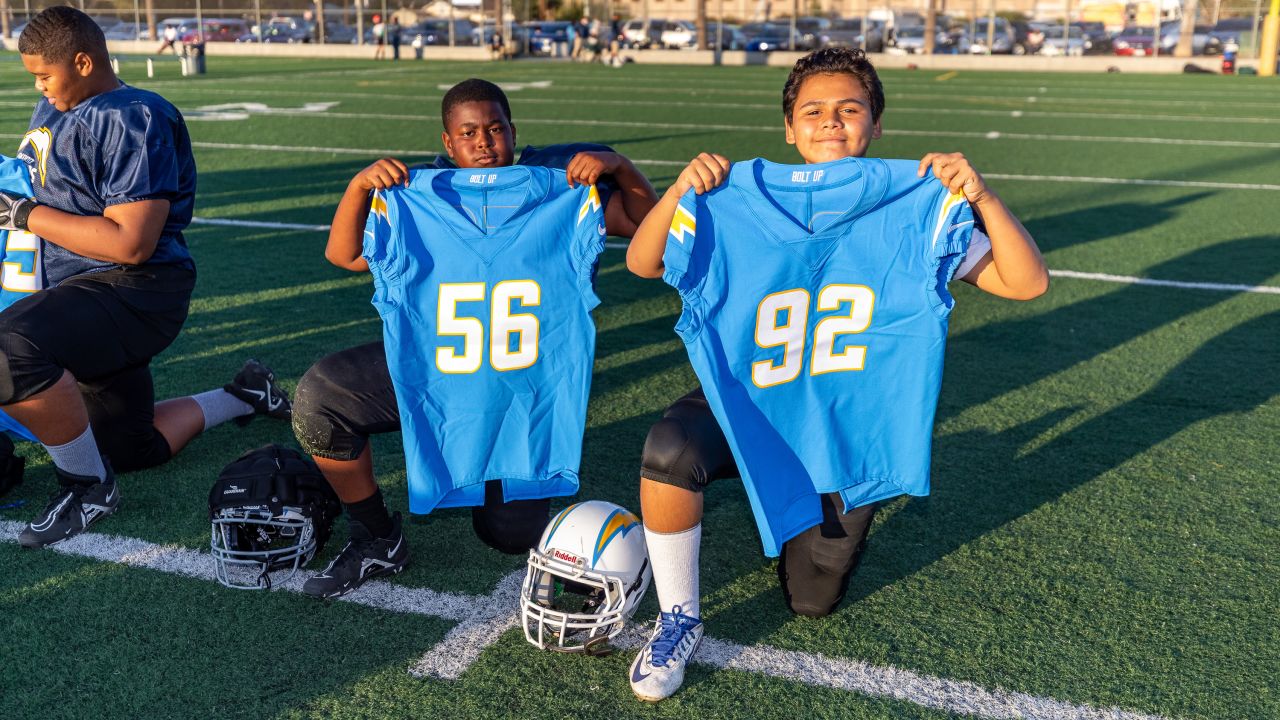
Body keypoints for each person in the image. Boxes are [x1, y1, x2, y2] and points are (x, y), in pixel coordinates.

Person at [622, 47, 1049, 701]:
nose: (830, 122)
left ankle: (812, 510)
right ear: (789, 128)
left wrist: (982, 196)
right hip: (758, 402)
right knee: (670, 446)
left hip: (851, 424)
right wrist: (681, 190)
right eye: (813, 111)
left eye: (849, 110)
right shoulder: (729, 200)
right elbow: (643, 263)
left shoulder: (914, 206)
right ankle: (678, 614)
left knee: (812, 601)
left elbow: (1027, 283)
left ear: (876, 125)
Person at [291, 78, 658, 599]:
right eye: (469, 133)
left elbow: (649, 226)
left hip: (520, 385)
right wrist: (358, 188)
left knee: (510, 534)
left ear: (513, 132)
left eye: (494, 129)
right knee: (320, 397)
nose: (484, 143)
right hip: (441, 369)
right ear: (448, 143)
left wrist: (619, 166)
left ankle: (495, 466)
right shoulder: (415, 195)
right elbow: (345, 255)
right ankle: (374, 535)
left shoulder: (562, 185)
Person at [0, 7, 293, 549]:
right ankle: (245, 395)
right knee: (129, 448)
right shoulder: (61, 103)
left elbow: (130, 244)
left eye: (44, 74)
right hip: (81, 290)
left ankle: (87, 489)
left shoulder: (132, 115)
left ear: (84, 62)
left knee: (8, 348)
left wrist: (20, 215)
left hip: (133, 291)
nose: (39, 86)